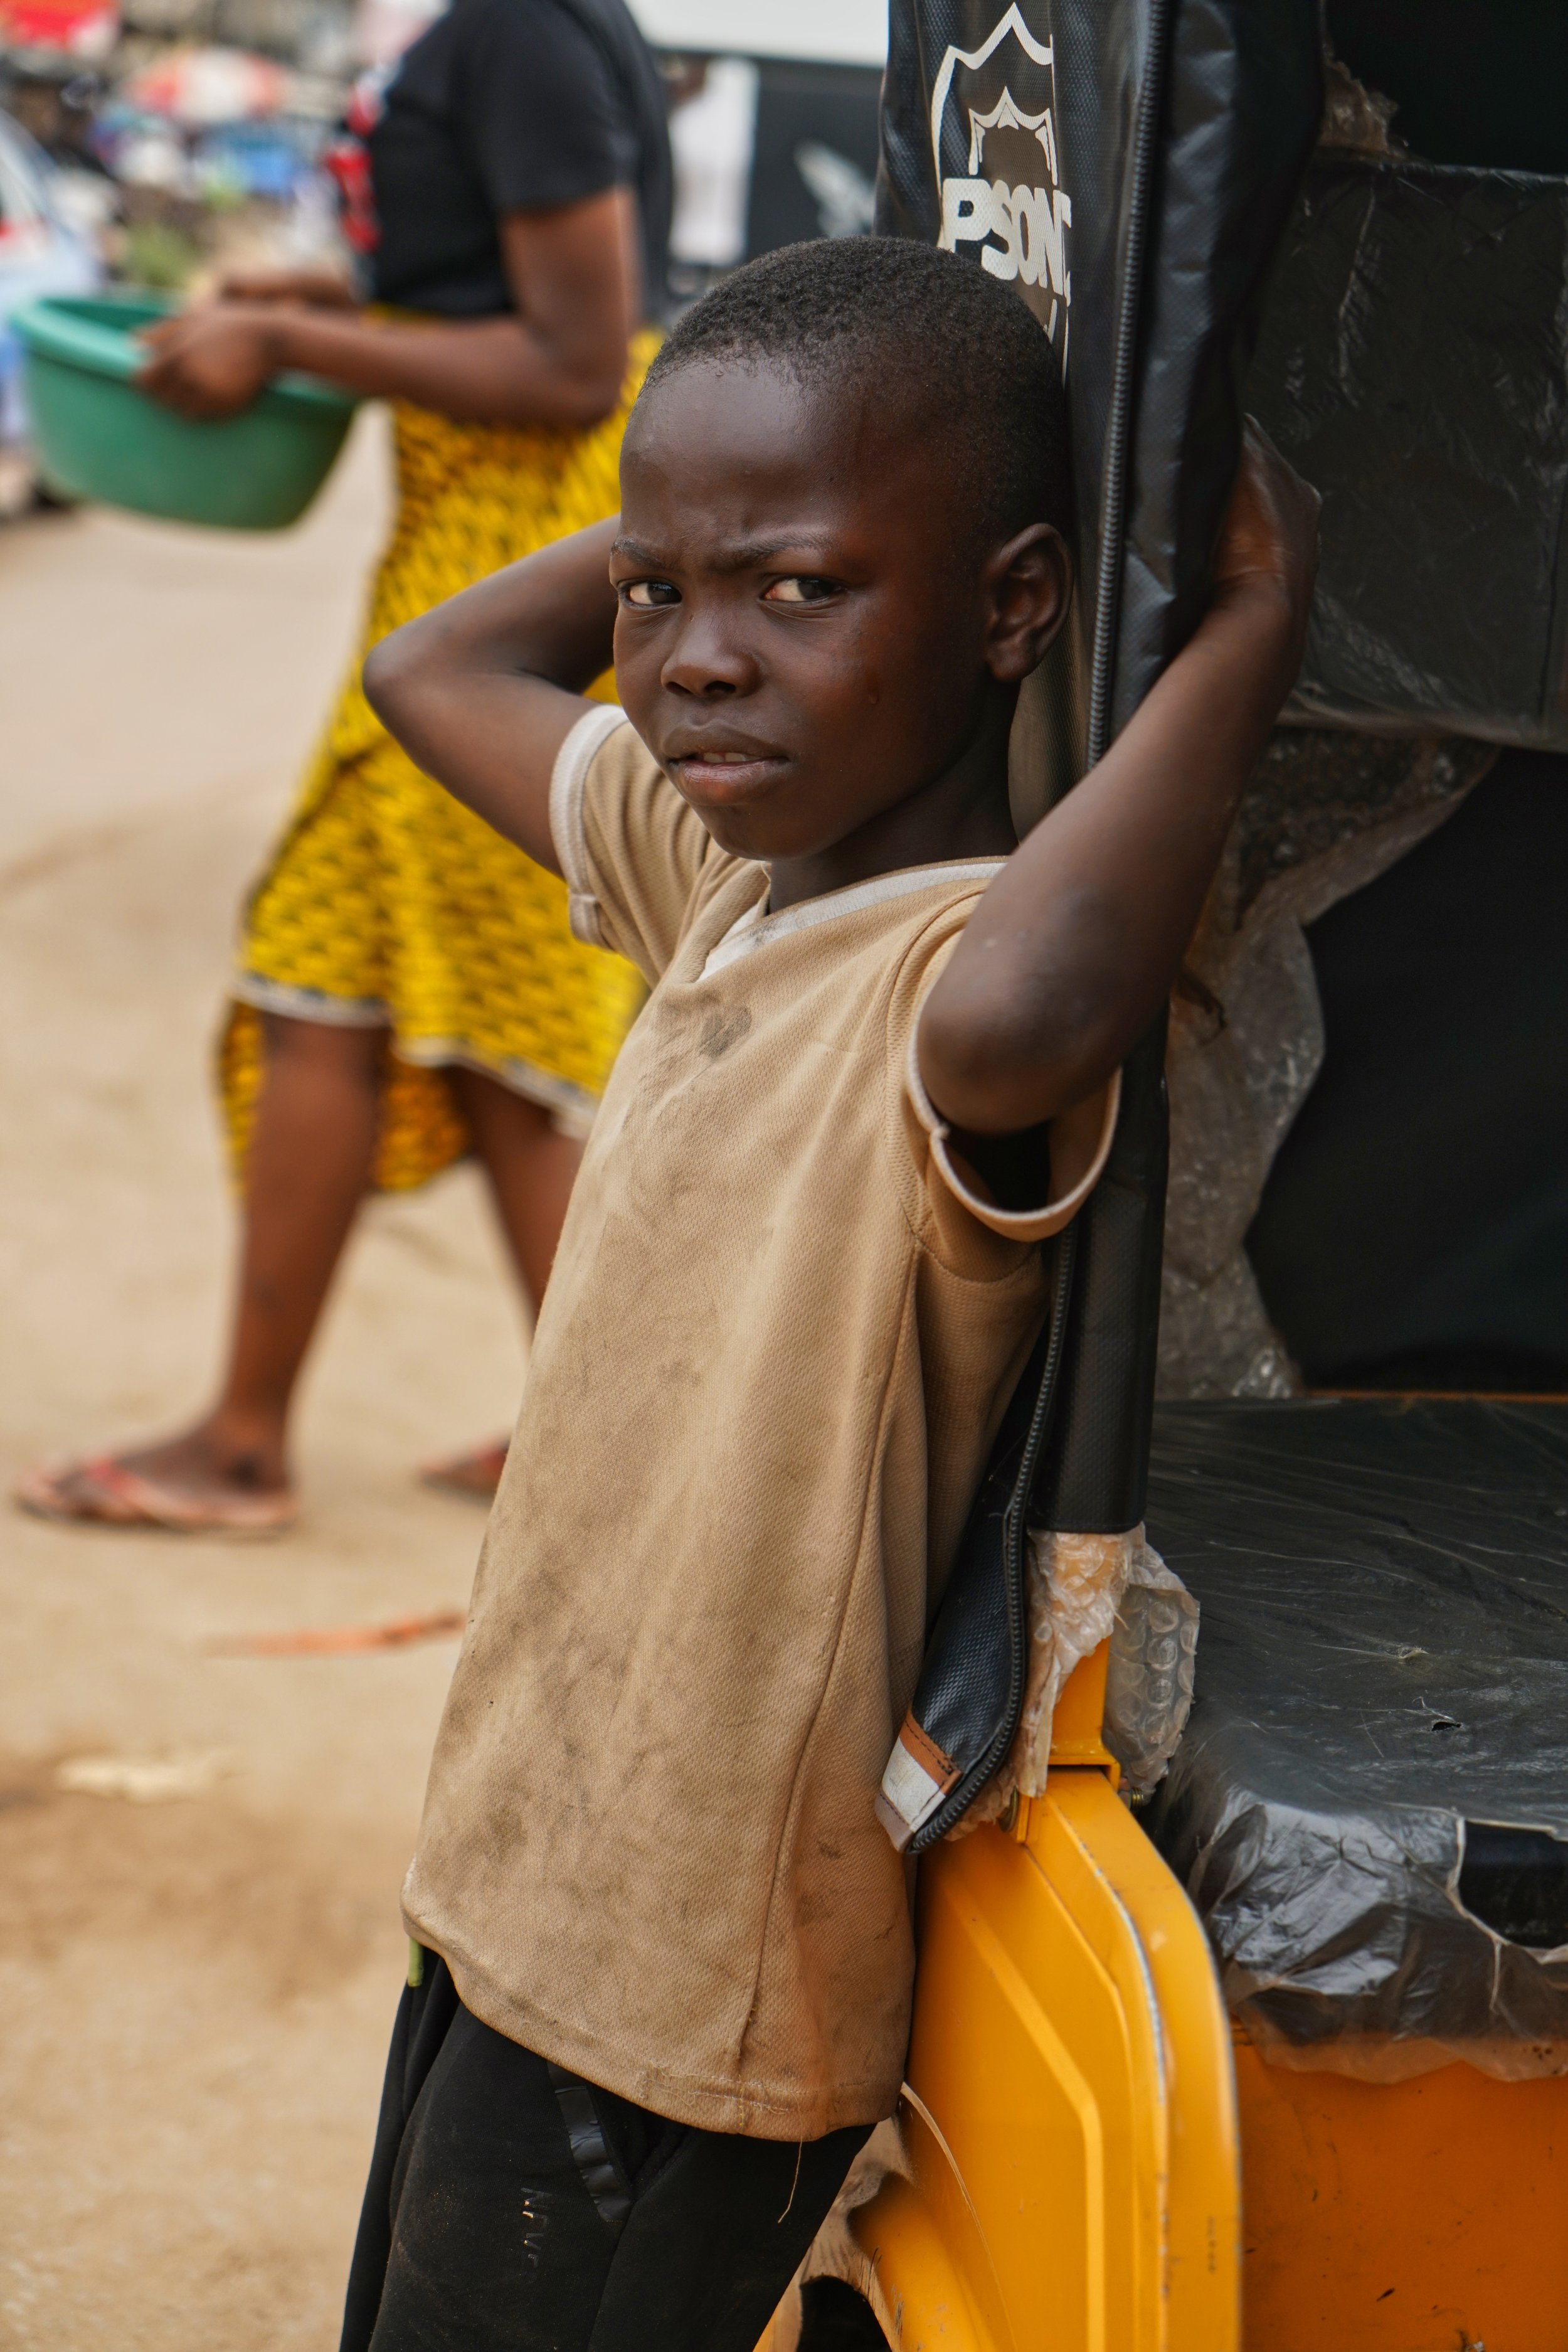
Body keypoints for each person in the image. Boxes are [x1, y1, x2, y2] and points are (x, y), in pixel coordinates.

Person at [336, 237, 1319, 2348]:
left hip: (683, 1981)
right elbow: (431, 671)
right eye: (661, 596)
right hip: (522, 1869)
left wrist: (1250, 619)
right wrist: (716, 512)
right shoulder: (729, 885)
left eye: (804, 590)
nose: (695, 660)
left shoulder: (951, 982)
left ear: (1011, 604)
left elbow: (1033, 1009)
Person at [18, 0, 670, 1533]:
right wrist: (334, 297)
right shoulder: (510, 30)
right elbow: (484, 286)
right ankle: (601, 1441)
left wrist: (297, 343)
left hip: (511, 557)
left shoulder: (519, 32)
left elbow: (579, 355)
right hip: (474, 545)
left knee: (356, 994)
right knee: (434, 1010)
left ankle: (259, 1448)